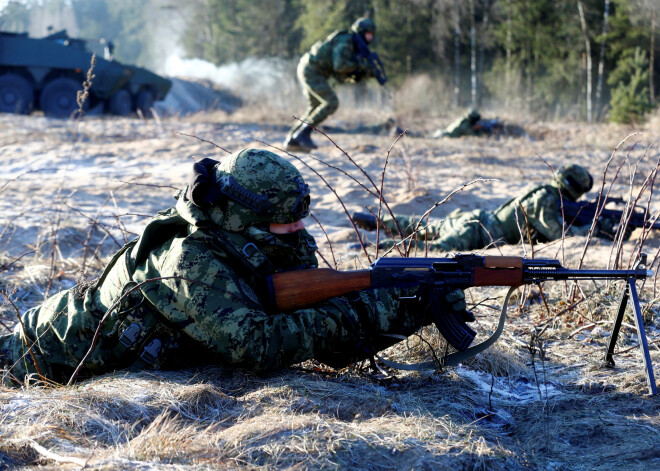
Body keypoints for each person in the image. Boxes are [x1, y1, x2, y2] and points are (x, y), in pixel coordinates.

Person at [0, 149, 468, 384]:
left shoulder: (263, 236)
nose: (298, 231)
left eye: (299, 219)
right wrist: (370, 311)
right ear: (244, 217)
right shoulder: (190, 259)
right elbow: (260, 346)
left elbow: (319, 335)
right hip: (40, 357)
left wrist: (409, 303)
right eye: (283, 222)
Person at [353, 164, 613, 252]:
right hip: (478, 231)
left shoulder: (542, 191)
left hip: (474, 220)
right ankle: (377, 246)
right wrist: (594, 228)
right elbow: (561, 237)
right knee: (438, 249)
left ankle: (375, 221)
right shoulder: (544, 200)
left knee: (420, 226)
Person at [283, 17, 380, 152]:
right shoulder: (346, 41)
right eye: (368, 34)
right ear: (361, 32)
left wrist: (360, 74)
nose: (370, 38)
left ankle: (292, 140)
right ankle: (302, 135)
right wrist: (361, 66)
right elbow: (340, 65)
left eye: (372, 35)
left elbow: (340, 76)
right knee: (331, 103)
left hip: (310, 69)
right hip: (312, 70)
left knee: (315, 107)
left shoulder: (351, 45)